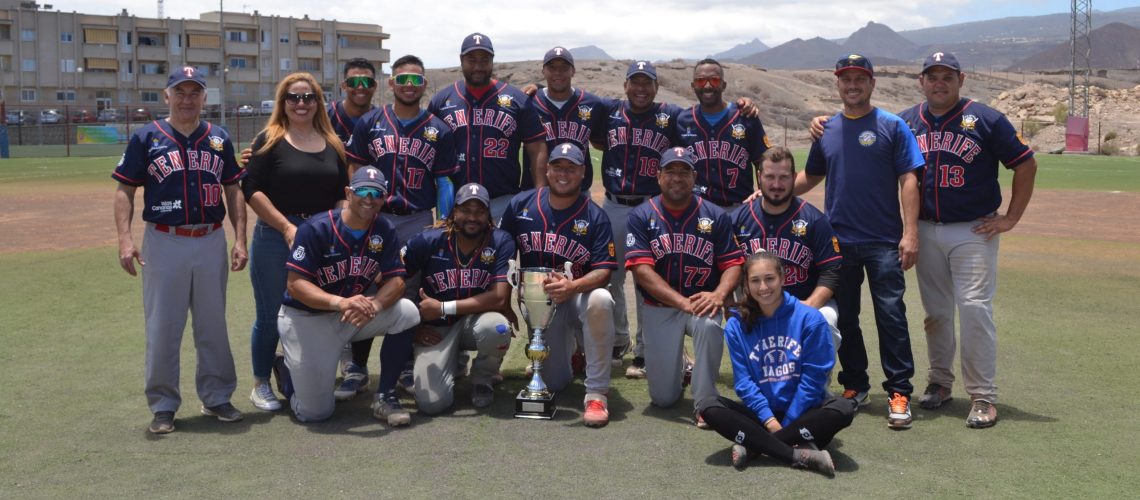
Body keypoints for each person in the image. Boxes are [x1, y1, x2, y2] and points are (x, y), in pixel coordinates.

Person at [899, 52, 1037, 428]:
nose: (939, 83)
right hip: (925, 228)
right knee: (936, 312)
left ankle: (982, 395)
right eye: (932, 76)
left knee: (975, 309)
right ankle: (940, 382)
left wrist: (1011, 217)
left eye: (947, 76)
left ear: (961, 80)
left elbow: (1025, 163)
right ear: (921, 81)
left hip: (974, 229)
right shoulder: (907, 121)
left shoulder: (986, 118)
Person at [112, 67, 248, 434]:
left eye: (194, 92)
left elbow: (233, 189)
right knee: (163, 327)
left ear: (204, 98)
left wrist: (240, 239)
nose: (187, 99)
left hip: (210, 239)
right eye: (180, 92)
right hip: (164, 239)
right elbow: (125, 190)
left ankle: (217, 397)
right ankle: (163, 404)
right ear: (167, 96)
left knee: (212, 325)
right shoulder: (146, 137)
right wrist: (125, 239)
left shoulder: (218, 138)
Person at [800, 54, 924, 430]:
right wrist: (771, 191)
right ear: (838, 84)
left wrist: (910, 233)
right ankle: (855, 385)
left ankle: (899, 391)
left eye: (859, 79)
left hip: (884, 241)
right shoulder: (827, 129)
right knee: (846, 317)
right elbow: (811, 176)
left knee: (891, 316)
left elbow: (909, 179)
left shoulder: (892, 125)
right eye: (845, 79)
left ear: (872, 83)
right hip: (839, 242)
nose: (852, 85)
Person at [340, 54, 459, 400]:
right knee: (363, 284)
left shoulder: (438, 129)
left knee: (408, 290)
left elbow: (444, 181)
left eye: (416, 79)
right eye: (402, 79)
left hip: (417, 217)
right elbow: (354, 167)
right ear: (391, 83)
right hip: (375, 215)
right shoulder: (371, 122)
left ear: (424, 85)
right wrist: (357, 209)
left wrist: (442, 222)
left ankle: (404, 364)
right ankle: (357, 367)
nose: (409, 85)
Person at [275, 166, 421, 424]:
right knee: (315, 413)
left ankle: (385, 396)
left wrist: (375, 306)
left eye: (377, 193)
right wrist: (340, 302)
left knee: (407, 312)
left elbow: (397, 281)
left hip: (350, 317)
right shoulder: (316, 228)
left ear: (384, 199)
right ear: (348, 193)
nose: (369, 199)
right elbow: (296, 285)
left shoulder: (383, 229)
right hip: (306, 319)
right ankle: (284, 371)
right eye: (363, 191)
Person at [241, 72, 349, 412]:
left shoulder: (333, 142)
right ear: (283, 102)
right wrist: (287, 228)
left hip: (321, 238)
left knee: (318, 310)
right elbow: (251, 189)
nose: (301, 103)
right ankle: (261, 383)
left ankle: (311, 376)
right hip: (276, 236)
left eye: (308, 97)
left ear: (318, 102)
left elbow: (341, 193)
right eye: (293, 97)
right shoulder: (268, 139)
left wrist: (334, 227)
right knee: (271, 313)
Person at [698, 251, 856, 474]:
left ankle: (755, 447)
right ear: (746, 285)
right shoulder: (737, 324)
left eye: (769, 278)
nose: (763, 287)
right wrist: (769, 420)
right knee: (708, 406)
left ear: (782, 278)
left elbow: (814, 379)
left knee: (844, 408)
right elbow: (743, 382)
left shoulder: (810, 318)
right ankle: (796, 454)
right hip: (761, 416)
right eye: (755, 280)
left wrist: (788, 422)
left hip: (803, 415)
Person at [498, 143, 617, 427]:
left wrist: (574, 287)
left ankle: (596, 393)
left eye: (571, 168)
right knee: (555, 383)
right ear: (547, 170)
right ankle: (572, 352)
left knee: (601, 299)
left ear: (583, 172)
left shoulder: (595, 216)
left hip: (577, 299)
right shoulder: (521, 205)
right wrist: (503, 302)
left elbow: (604, 271)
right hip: (541, 306)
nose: (564, 174)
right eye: (558, 167)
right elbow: (502, 254)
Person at [625, 147, 744, 426]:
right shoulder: (641, 215)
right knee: (663, 398)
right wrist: (682, 303)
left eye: (684, 172)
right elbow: (642, 272)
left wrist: (719, 294)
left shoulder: (715, 215)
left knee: (710, 326)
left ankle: (705, 401)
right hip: (660, 307)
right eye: (670, 171)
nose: (677, 178)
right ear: (658, 176)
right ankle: (681, 366)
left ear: (694, 178)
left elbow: (733, 263)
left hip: (701, 302)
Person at [403, 183, 515, 413]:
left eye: (479, 211)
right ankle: (454, 361)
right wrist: (412, 327)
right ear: (454, 211)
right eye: (466, 210)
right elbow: (394, 282)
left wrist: (444, 307)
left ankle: (483, 377)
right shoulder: (427, 240)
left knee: (498, 328)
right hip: (436, 329)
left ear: (488, 214)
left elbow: (499, 297)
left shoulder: (500, 241)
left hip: (474, 322)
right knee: (431, 404)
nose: (472, 217)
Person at [428, 32, 548, 218]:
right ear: (461, 60)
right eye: (472, 60)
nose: (478, 66)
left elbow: (537, 148)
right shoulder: (441, 101)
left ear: (492, 61)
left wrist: (541, 194)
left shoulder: (516, 99)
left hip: (503, 201)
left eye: (484, 60)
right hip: (455, 203)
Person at [733, 146, 842, 348]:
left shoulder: (814, 220)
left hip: (806, 301)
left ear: (794, 177)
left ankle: (815, 370)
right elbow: (725, 267)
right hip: (756, 305)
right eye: (770, 177)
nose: (776, 184)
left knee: (824, 320)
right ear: (759, 177)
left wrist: (809, 306)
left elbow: (831, 271)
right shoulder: (738, 219)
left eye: (783, 177)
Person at [674, 58, 770, 211]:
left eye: (714, 80)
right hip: (698, 210)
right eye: (701, 81)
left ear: (723, 85)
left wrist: (763, 193)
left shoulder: (745, 116)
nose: (707, 85)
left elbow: (764, 162)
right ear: (693, 86)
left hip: (740, 208)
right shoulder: (683, 120)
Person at [526, 46, 606, 192]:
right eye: (552, 67)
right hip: (536, 190)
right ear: (543, 71)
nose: (558, 72)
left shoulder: (592, 104)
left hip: (579, 191)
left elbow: (600, 143)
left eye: (564, 68)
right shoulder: (528, 102)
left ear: (573, 71)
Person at [329, 58, 381, 142]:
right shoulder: (327, 116)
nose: (360, 87)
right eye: (353, 82)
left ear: (374, 86)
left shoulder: (382, 120)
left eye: (367, 82)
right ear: (344, 86)